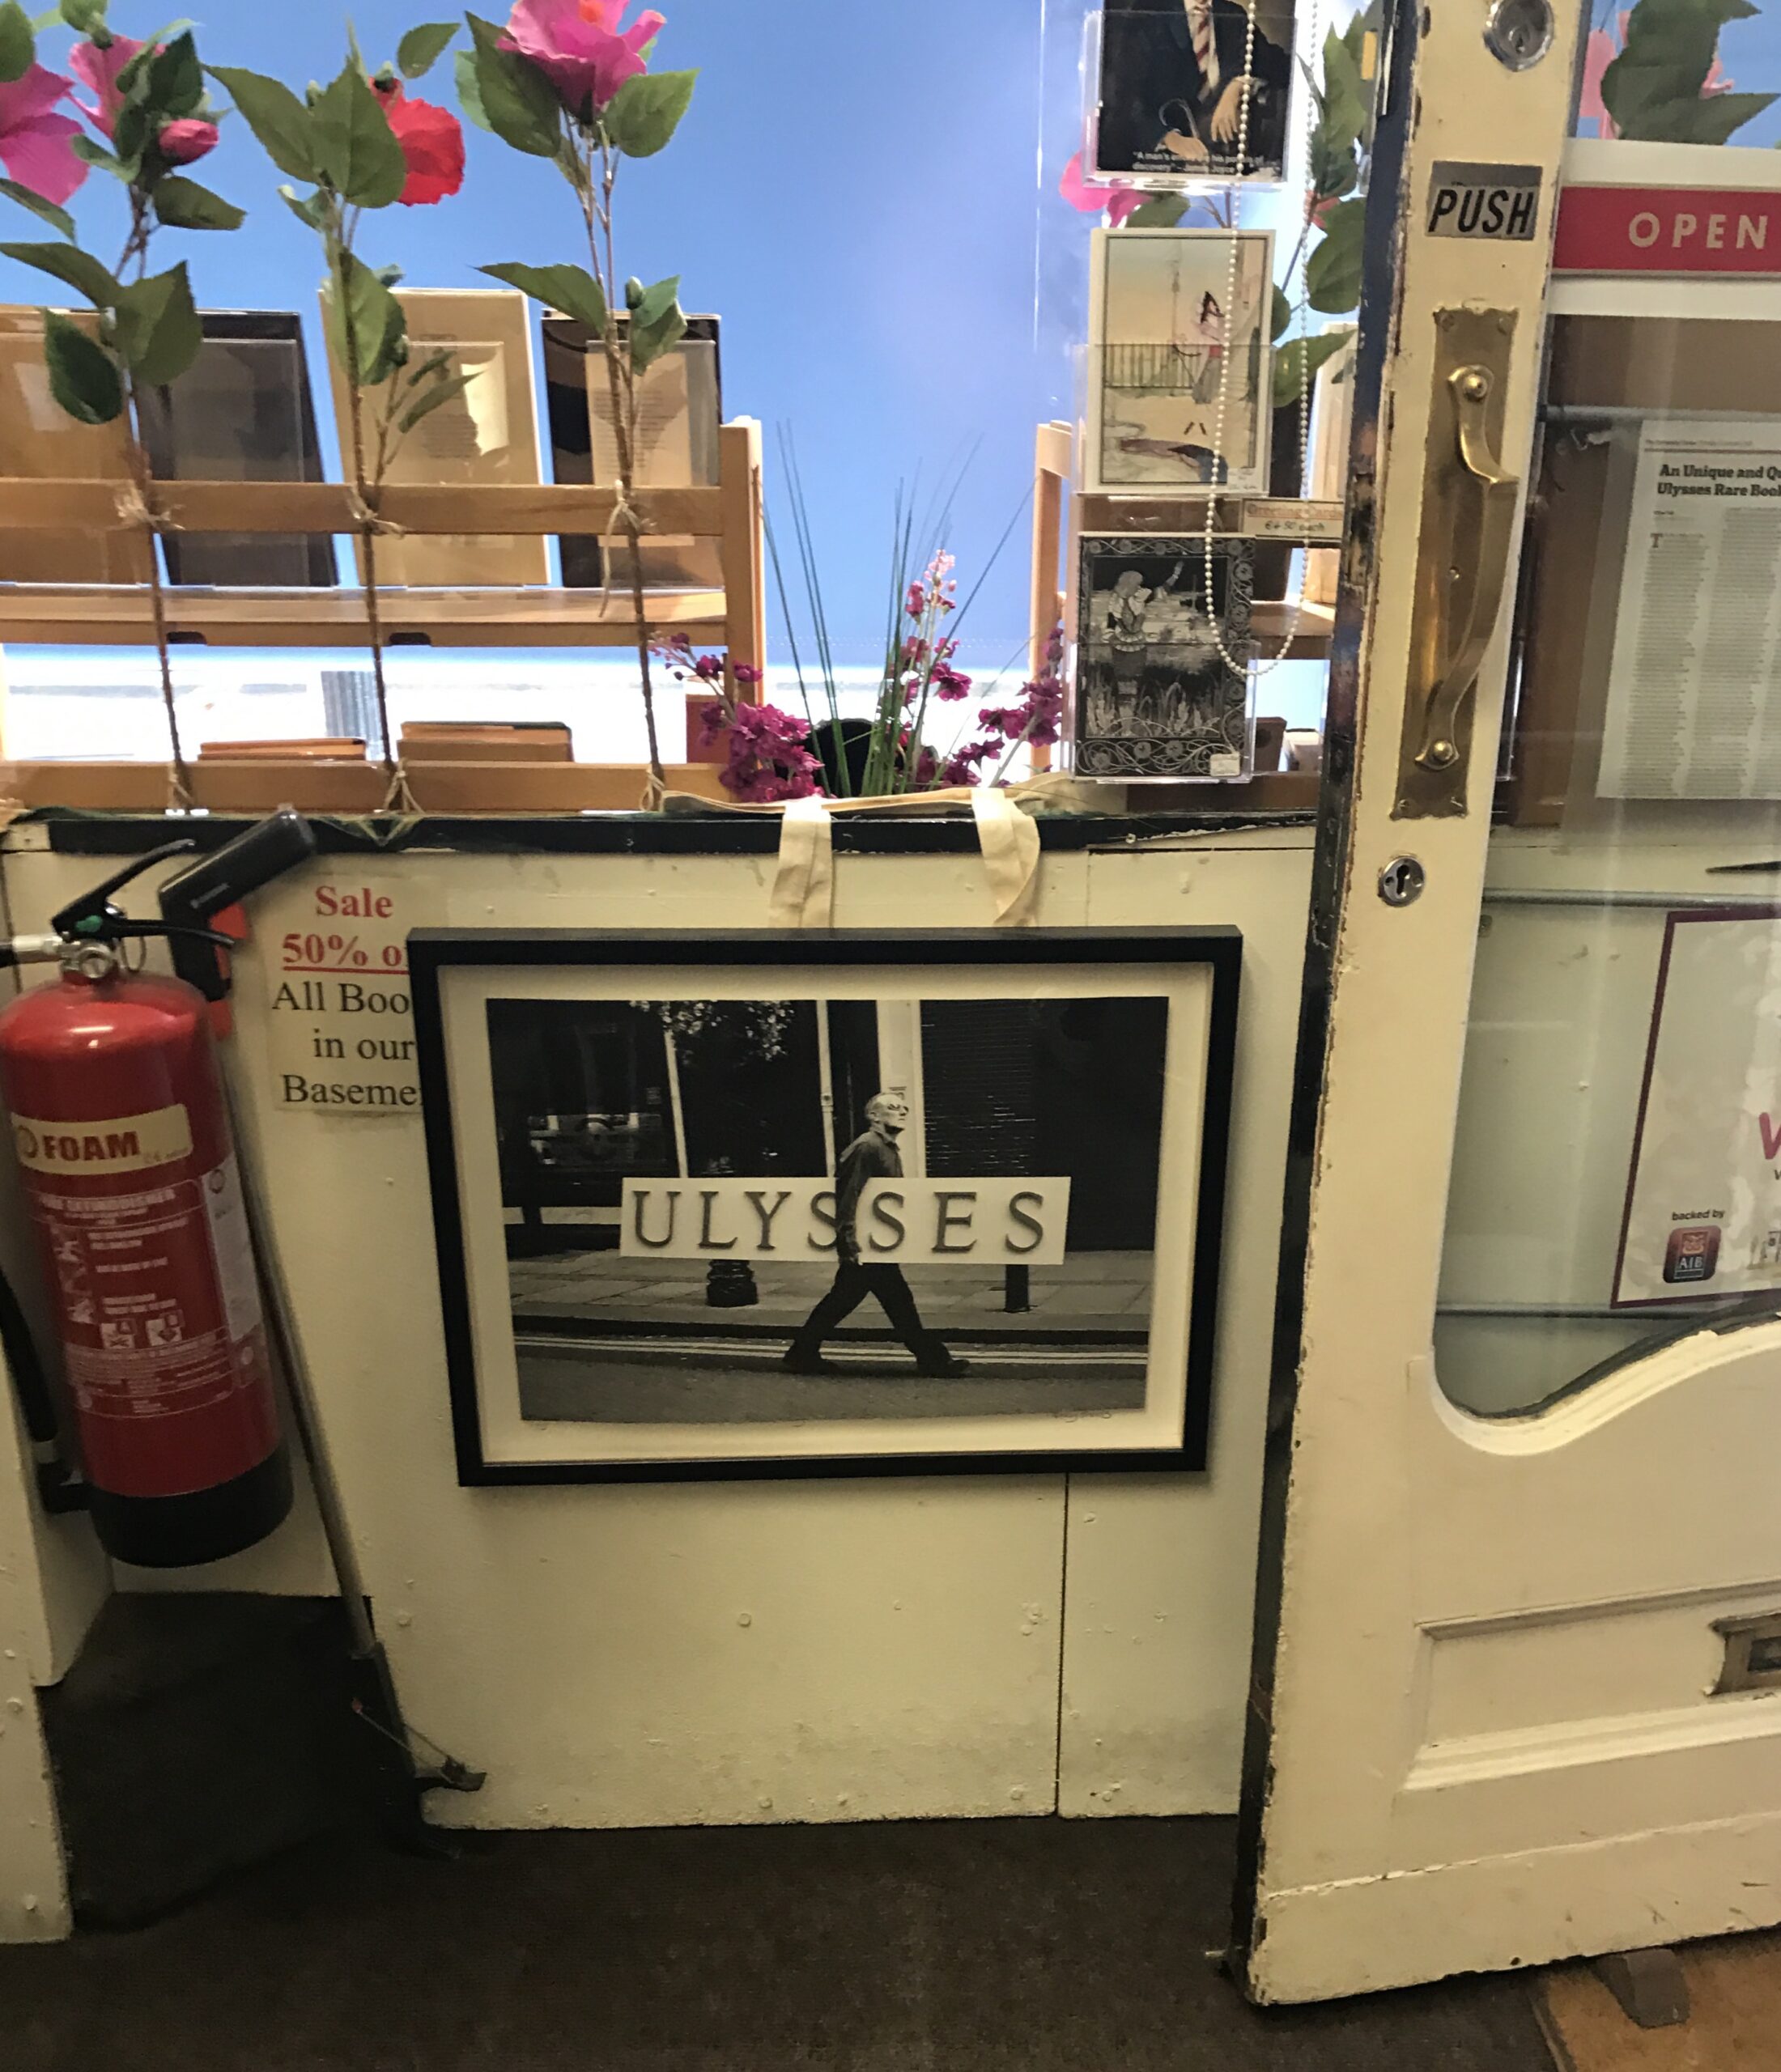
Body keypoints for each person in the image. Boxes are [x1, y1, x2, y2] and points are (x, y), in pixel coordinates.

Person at [783, 1092, 967, 1378]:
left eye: (904, 1107)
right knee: (892, 1302)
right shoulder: (867, 1147)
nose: (903, 1111)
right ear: (874, 1116)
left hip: (876, 1245)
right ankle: (933, 1360)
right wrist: (847, 1241)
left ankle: (802, 1352)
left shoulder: (887, 1148)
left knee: (854, 1300)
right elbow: (848, 1194)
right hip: (865, 1246)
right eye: (893, 1107)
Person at [1096, 0, 1292, 179]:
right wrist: (1167, 137)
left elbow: (1281, 67)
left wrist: (1239, 84)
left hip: (1225, 162)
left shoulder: (1233, 15)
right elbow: (1123, 93)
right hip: (1157, 164)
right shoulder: (1148, 13)